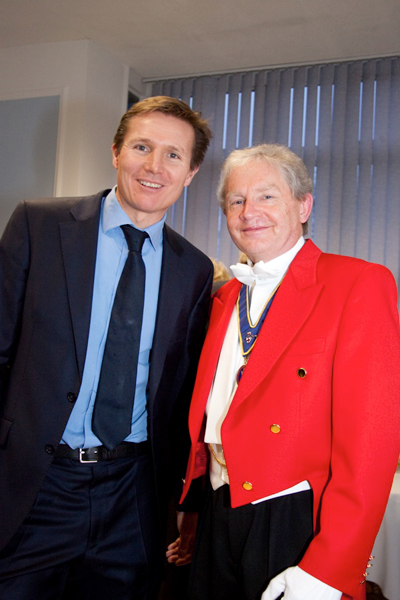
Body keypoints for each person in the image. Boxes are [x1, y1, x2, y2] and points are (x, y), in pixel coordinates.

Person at [0, 96, 213, 600]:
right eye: (142, 146)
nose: (154, 166)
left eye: (173, 155)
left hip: (133, 493)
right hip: (36, 482)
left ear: (191, 172)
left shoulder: (195, 270)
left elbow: (184, 391)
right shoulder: (37, 225)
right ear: (116, 151)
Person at [170, 144, 400, 600]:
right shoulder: (222, 298)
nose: (249, 212)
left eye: (267, 196)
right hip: (219, 510)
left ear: (303, 205)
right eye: (236, 200)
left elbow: (371, 443)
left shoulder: (357, 283)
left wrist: (330, 568)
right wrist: (194, 519)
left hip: (294, 518)